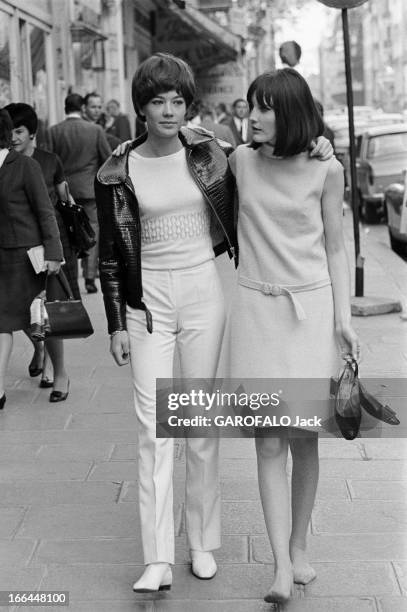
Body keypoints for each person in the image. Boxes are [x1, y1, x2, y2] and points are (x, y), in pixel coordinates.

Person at [95, 52, 237, 594]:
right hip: (145, 303)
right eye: (159, 101)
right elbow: (110, 252)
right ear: (141, 108)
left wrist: (316, 145)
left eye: (178, 101)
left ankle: (200, 542)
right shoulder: (116, 169)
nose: (170, 111)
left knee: (198, 423)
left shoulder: (209, 154)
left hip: (204, 292)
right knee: (155, 429)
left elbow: (264, 162)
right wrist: (113, 322)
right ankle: (158, 557)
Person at [223, 68, 360, 604]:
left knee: (304, 438)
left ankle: (300, 548)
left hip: (310, 312)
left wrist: (344, 319)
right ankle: (280, 565)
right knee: (267, 442)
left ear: (291, 112)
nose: (251, 116)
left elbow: (334, 246)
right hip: (257, 312)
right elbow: (177, 145)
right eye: (251, 107)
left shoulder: (327, 169)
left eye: (264, 108)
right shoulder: (238, 160)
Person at [5, 102, 77, 399]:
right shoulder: (5, 163)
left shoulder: (48, 161)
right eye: (9, 131)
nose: (13, 137)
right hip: (14, 251)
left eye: (19, 131)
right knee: (19, 313)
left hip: (46, 248)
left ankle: (59, 373)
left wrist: (56, 249)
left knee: (49, 316)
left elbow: (59, 202)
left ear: (32, 132)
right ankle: (39, 349)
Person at [47, 93, 111, 294]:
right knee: (91, 231)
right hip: (89, 191)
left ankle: (72, 274)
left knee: (67, 233)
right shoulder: (95, 130)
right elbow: (107, 159)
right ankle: (90, 278)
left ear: (64, 107)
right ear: (82, 108)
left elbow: (49, 162)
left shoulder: (53, 131)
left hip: (63, 192)